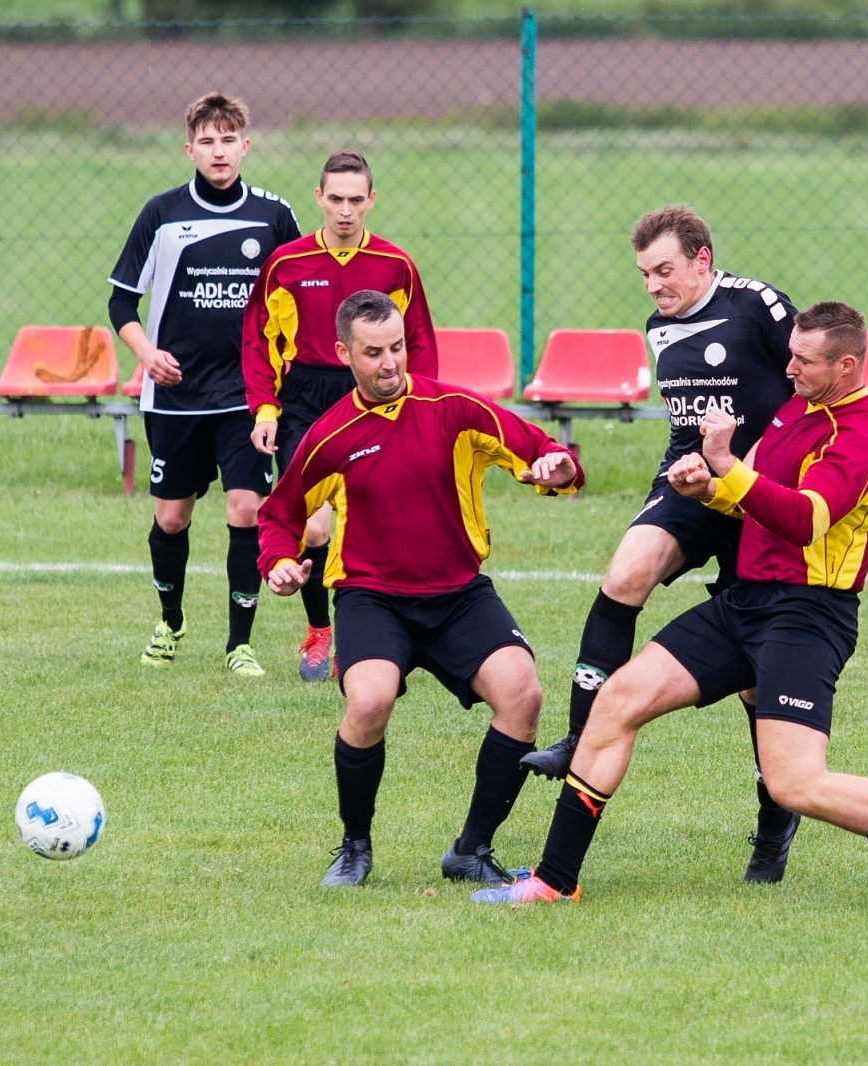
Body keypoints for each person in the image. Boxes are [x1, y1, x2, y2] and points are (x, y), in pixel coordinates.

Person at [474, 302, 868, 913]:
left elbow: (805, 519)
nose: (787, 368)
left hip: (808, 617)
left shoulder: (863, 435)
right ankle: (554, 881)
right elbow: (746, 500)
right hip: (743, 603)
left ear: (846, 365)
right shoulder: (795, 410)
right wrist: (704, 485)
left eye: (803, 360)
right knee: (616, 703)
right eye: (790, 354)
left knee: (795, 782)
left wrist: (726, 467)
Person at [521, 203, 808, 883]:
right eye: (645, 273)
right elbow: (685, 424)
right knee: (625, 573)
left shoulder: (757, 305)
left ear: (703, 259)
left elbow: (805, 389)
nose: (653, 285)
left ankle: (774, 828)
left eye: (665, 270)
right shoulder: (659, 326)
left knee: (753, 684)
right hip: (688, 477)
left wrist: (748, 463)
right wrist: (691, 466)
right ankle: (581, 733)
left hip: (755, 490)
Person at [259, 290, 582, 888]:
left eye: (398, 348)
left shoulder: (454, 409)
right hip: (372, 598)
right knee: (370, 700)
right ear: (343, 354)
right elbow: (279, 515)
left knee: (523, 694)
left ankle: (470, 850)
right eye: (374, 352)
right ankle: (354, 847)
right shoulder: (330, 436)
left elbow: (539, 449)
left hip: (459, 593)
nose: (390, 363)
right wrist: (279, 562)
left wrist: (557, 466)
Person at [108, 91, 301, 677]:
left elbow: (298, 296)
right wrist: (147, 354)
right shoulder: (161, 215)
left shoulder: (274, 216)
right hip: (175, 397)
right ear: (190, 148)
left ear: (246, 145)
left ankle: (239, 644)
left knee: (246, 510)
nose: (219, 152)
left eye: (228, 140)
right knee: (172, 518)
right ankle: (170, 621)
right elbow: (122, 303)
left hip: (249, 397)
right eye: (207, 142)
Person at [242, 149, 440, 681]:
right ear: (319, 199)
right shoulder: (286, 264)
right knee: (313, 524)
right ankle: (320, 631)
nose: (346, 210)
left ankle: (384, 631)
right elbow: (259, 342)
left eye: (357, 200)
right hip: (307, 397)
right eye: (336, 199)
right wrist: (265, 409)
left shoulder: (396, 265)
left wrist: (419, 406)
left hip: (379, 395)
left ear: (371, 200)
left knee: (381, 517)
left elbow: (417, 341)